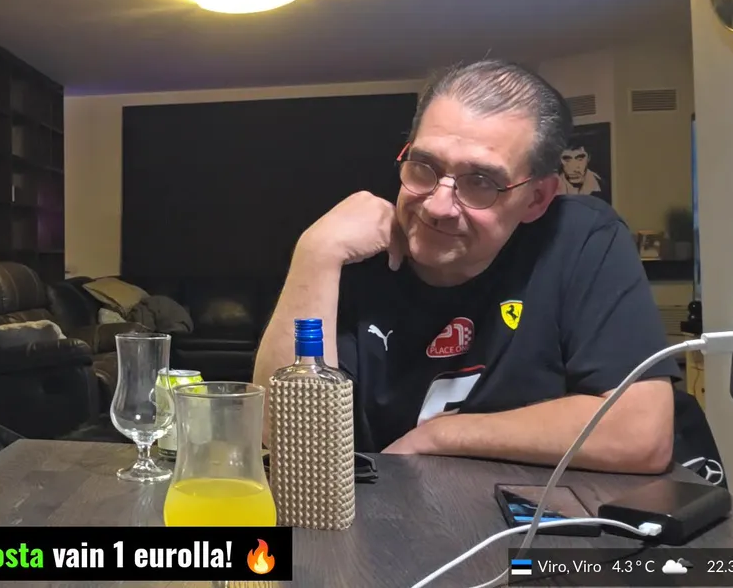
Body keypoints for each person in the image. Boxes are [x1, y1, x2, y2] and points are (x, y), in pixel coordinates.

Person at [253, 59, 679, 475]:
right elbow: (289, 444)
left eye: (480, 182)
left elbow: (639, 432)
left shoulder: (580, 237)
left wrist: (440, 436)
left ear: (536, 199)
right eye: (424, 167)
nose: (437, 206)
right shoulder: (356, 251)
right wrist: (316, 253)